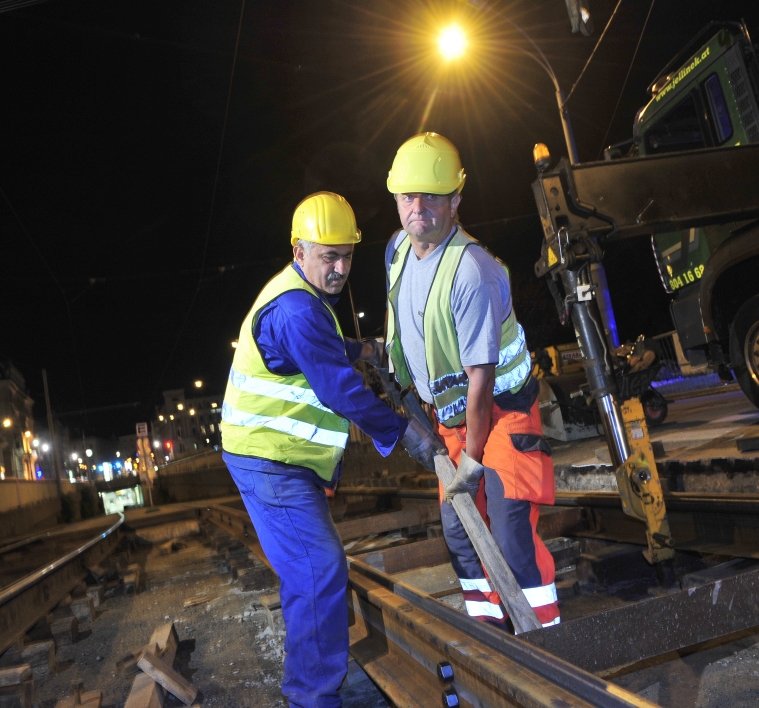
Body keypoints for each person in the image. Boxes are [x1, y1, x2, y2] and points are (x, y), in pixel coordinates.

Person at [220, 191, 438, 708]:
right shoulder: (298, 309)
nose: (340, 268)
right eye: (327, 256)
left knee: (310, 569)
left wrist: (365, 349)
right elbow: (338, 389)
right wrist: (406, 433)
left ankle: (315, 675)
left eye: (346, 255)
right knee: (319, 571)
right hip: (269, 460)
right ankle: (312, 699)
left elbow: (321, 348)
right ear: (300, 252)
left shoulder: (304, 298)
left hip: (281, 458)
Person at [383, 133, 560, 628]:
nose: (418, 208)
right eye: (407, 197)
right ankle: (491, 634)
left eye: (432, 197)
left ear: (455, 200)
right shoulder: (398, 252)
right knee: (460, 533)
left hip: (501, 417)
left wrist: (474, 461)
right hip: (454, 421)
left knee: (507, 531)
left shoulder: (473, 272)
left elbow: (480, 383)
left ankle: (543, 639)